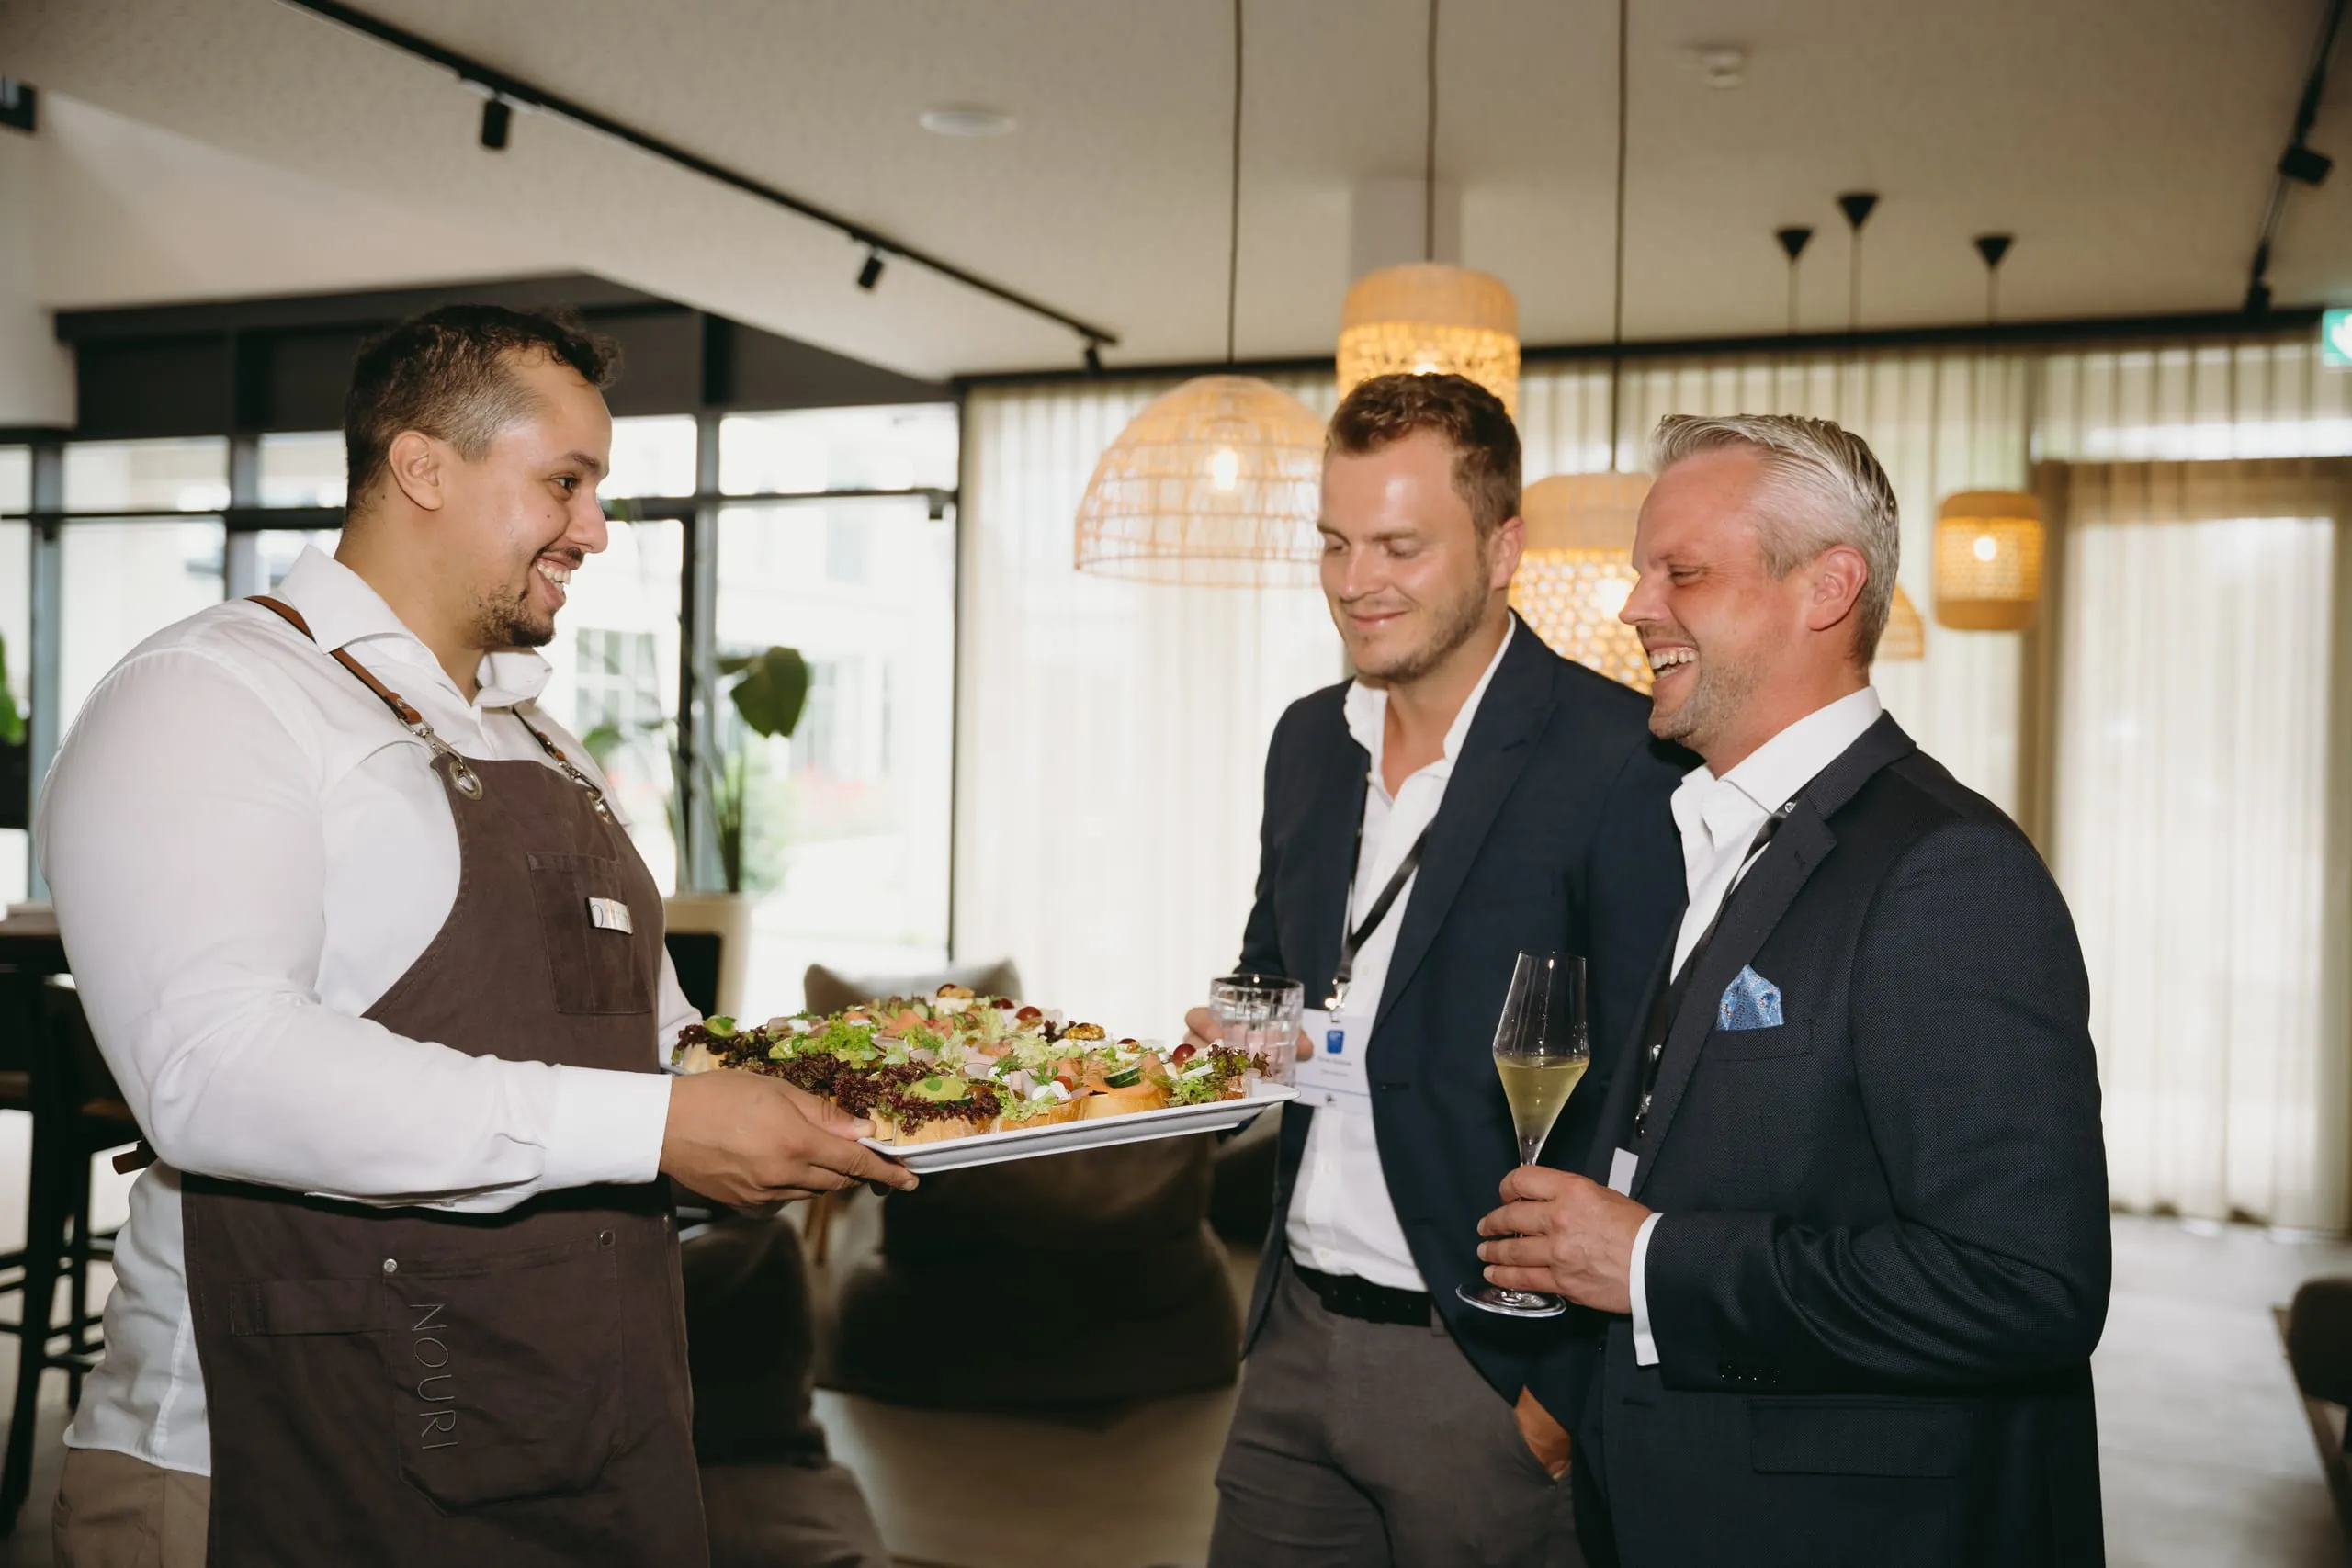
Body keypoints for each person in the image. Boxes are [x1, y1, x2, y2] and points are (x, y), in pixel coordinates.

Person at [39, 305, 916, 1567]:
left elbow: (652, 1035)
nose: (596, 528)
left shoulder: (543, 740)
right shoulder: (209, 696)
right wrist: (661, 1124)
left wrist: (857, 1088)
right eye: (566, 481)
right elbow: (215, 1072)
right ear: (421, 465)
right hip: (280, 1454)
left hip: (579, 1431)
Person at [1476, 413, 2110, 1567]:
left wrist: (1651, 1261)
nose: (1634, 609)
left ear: (1827, 588)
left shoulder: (1945, 870)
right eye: (1638, 571)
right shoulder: (1722, 830)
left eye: (1682, 572)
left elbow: (2026, 1285)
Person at [1190, 372, 1686, 1568]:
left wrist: (1560, 1390)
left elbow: (1653, 1097)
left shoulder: (1621, 758)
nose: (1357, 581)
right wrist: (1237, 1033)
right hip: (1292, 1331)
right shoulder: (1307, 740)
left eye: (1402, 545)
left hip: (1487, 1369)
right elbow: (1278, 970)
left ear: (1503, 545)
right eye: (1335, 541)